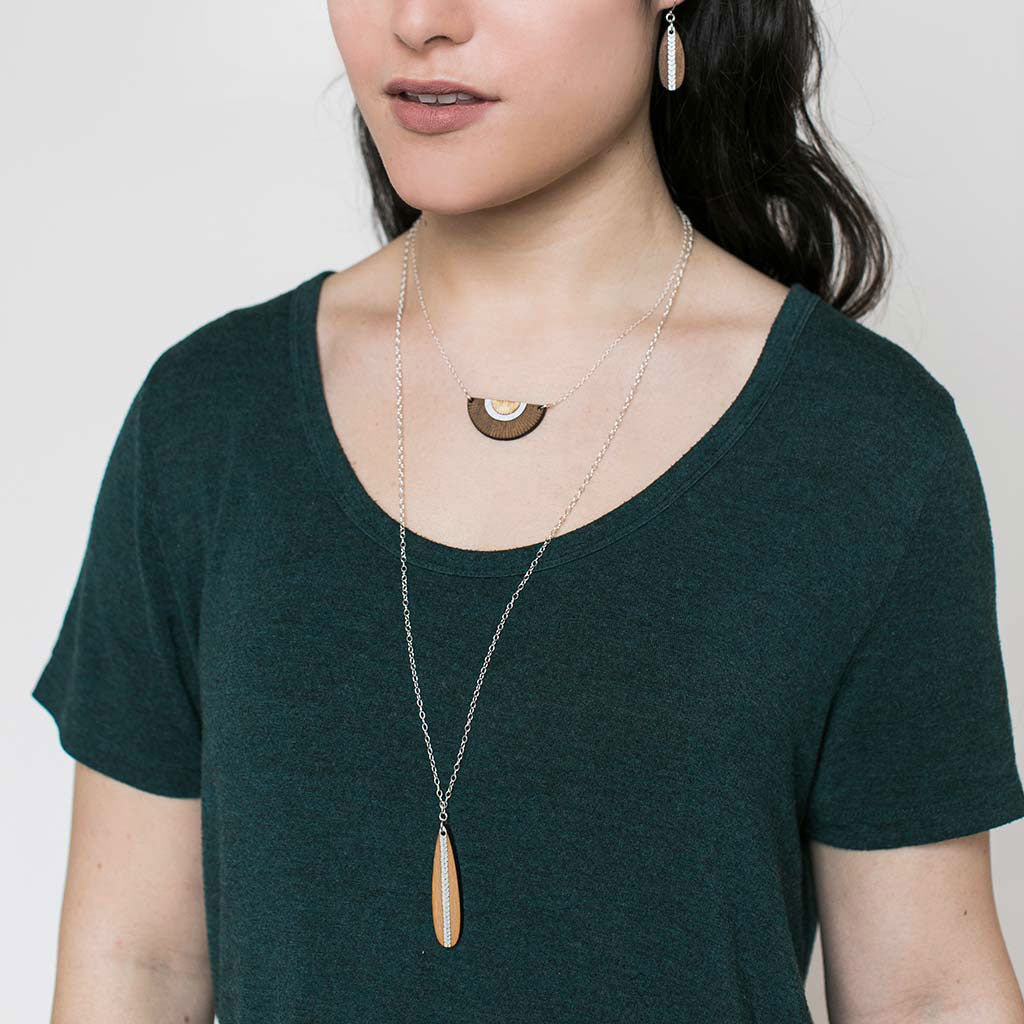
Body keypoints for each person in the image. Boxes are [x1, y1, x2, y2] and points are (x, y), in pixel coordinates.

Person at [31, 1, 1024, 1021]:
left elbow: (925, 994)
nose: (420, 20)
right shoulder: (211, 419)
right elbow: (135, 963)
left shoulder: (861, 444)